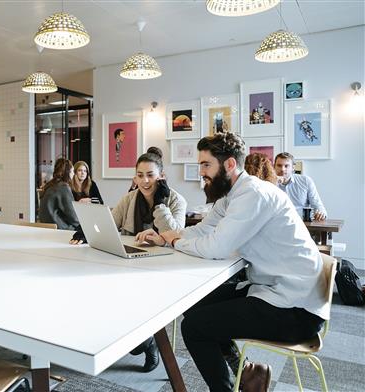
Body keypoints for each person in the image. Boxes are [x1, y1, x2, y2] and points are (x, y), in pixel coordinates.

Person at [136, 133, 327, 392]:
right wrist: (166, 236)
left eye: (206, 165)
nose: (201, 172)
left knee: (194, 328)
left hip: (296, 309)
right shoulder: (233, 194)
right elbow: (204, 230)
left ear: (228, 165)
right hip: (276, 290)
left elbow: (217, 247)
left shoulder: (253, 195)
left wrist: (173, 242)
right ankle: (244, 371)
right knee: (195, 304)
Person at [73, 152, 187, 373]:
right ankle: (145, 341)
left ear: (161, 176)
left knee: (130, 304)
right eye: (139, 175)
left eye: (150, 175)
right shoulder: (129, 199)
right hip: (128, 263)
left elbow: (176, 235)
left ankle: (147, 341)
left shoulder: (176, 200)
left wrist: (160, 205)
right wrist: (87, 230)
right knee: (96, 296)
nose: (144, 181)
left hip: (162, 269)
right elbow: (109, 223)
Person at [274, 152, 327, 221]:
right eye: (279, 165)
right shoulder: (267, 184)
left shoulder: (305, 181)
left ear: (293, 168)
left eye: (286, 166)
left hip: (301, 225)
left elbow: (317, 205)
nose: (282, 169)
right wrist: (273, 183)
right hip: (276, 224)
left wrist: (321, 213)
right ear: (274, 166)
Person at [38, 158, 79, 230]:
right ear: (67, 172)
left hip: (46, 227)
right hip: (59, 229)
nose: (73, 174)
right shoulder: (63, 187)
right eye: (72, 171)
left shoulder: (50, 185)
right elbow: (73, 217)